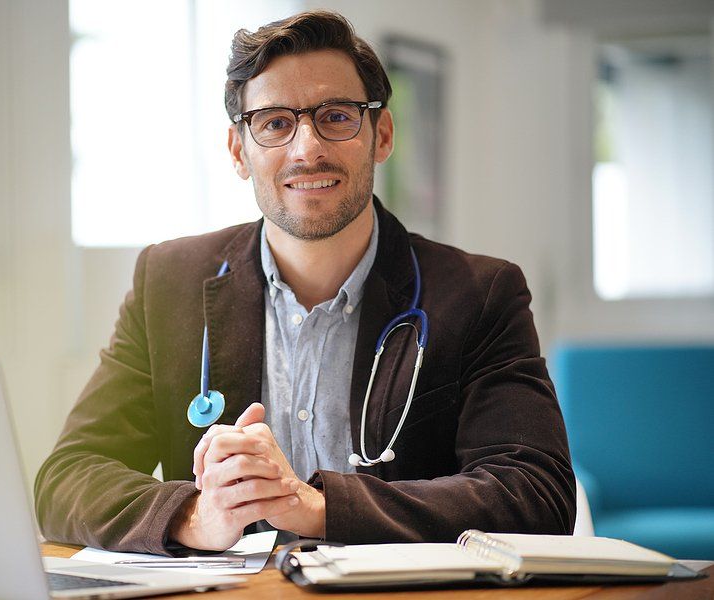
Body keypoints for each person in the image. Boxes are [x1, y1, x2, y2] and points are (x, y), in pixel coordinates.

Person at [34, 10, 576, 555]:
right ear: (237, 151)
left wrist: (314, 506)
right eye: (273, 123)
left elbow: (536, 492)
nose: (306, 148)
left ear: (381, 134)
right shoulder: (170, 282)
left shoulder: (479, 293)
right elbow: (67, 477)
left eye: (336, 116)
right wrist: (196, 515)